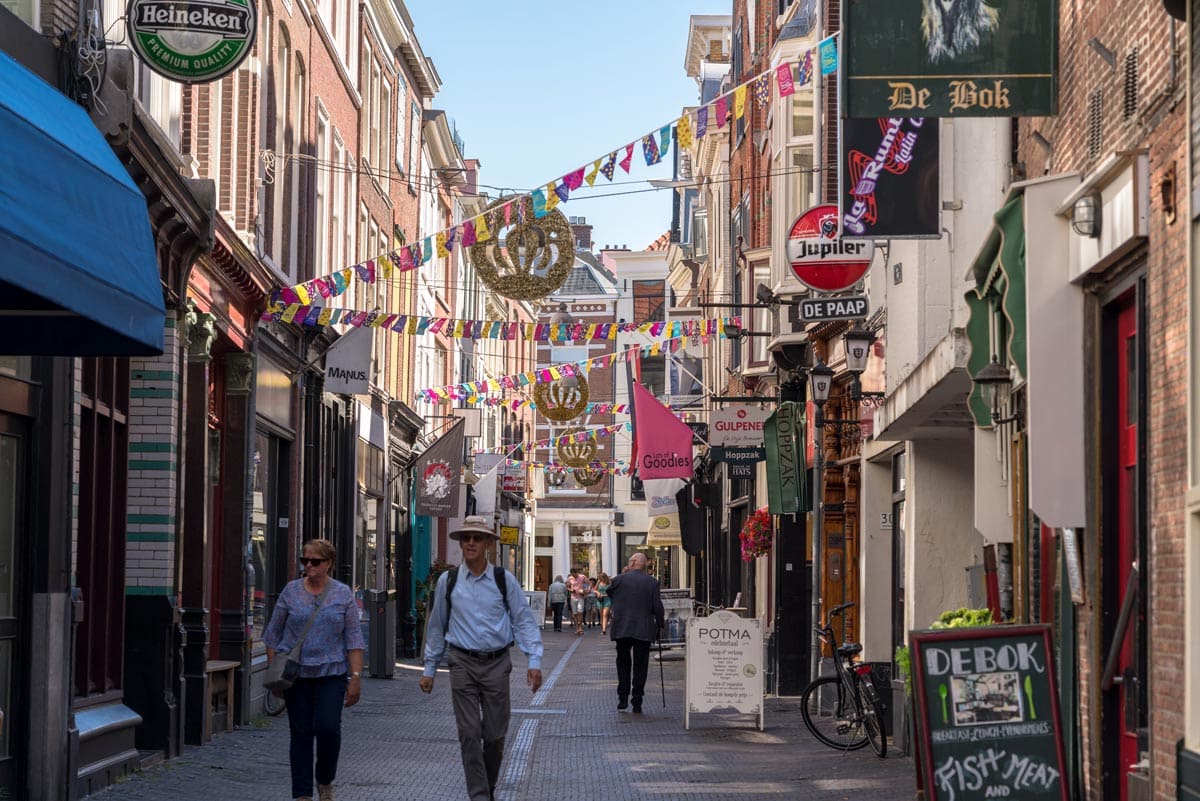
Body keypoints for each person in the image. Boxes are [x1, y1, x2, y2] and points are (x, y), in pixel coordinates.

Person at [420, 516, 544, 801]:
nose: (471, 542)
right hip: (461, 662)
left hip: (497, 663)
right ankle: (479, 796)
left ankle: (487, 787)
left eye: (477, 538)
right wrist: (429, 668)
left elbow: (523, 621)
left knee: (495, 736)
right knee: (468, 732)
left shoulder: (503, 580)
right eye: (466, 538)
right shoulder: (447, 581)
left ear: (488, 543)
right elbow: (437, 625)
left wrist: (533, 661)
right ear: (461, 544)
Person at [264, 539, 364, 801]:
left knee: (328, 728)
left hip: (332, 673)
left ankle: (325, 779)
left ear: (329, 563)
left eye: (315, 561)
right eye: (304, 560)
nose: (308, 565)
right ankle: (302, 794)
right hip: (296, 676)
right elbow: (272, 635)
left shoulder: (342, 595)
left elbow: (354, 639)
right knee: (301, 733)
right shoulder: (291, 592)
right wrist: (276, 673)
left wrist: (355, 678)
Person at [606, 552, 664, 714]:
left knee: (623, 662)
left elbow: (610, 592)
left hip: (623, 627)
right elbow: (657, 606)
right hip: (643, 628)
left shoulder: (619, 579)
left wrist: (624, 574)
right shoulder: (652, 582)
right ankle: (637, 700)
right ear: (644, 565)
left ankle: (623, 697)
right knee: (641, 665)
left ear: (632, 563)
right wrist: (660, 623)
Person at [570, 570, 591, 635]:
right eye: (572, 575)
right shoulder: (570, 578)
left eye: (574, 575)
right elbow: (567, 586)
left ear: (577, 573)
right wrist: (571, 590)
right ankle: (577, 628)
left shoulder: (582, 577)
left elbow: (589, 583)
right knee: (575, 614)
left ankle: (580, 628)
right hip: (573, 598)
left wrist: (588, 591)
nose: (574, 576)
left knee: (580, 613)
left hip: (580, 597)